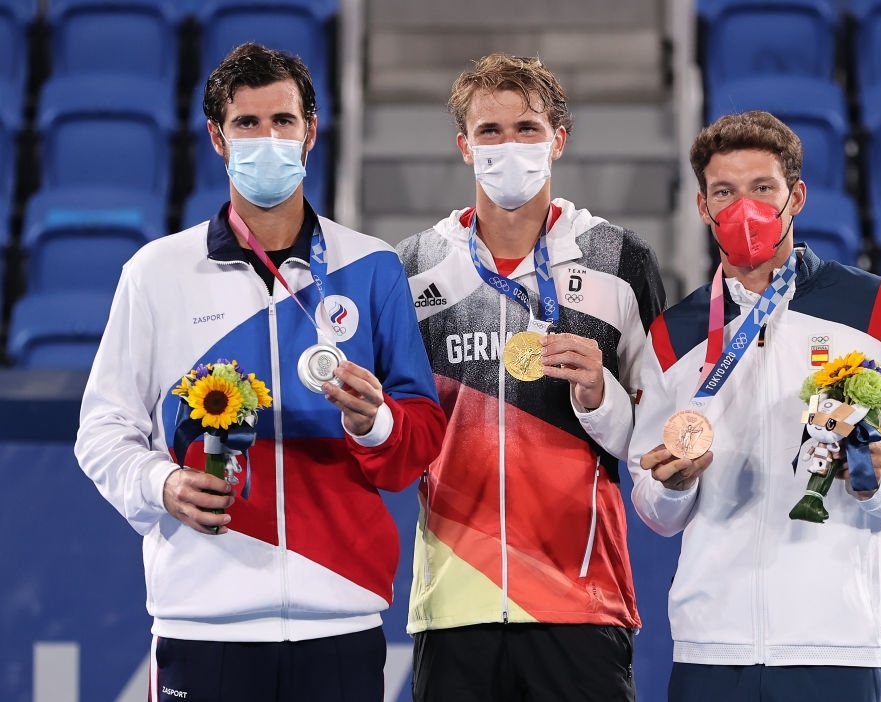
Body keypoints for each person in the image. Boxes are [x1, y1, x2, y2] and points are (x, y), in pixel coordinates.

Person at [75, 42, 446, 702]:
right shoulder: (157, 274)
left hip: (341, 617)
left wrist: (376, 422)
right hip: (201, 621)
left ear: (311, 133)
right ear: (217, 137)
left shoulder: (372, 267)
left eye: (283, 121)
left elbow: (416, 447)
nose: (267, 138)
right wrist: (162, 484)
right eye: (247, 124)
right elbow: (102, 431)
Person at [627, 110, 881, 701]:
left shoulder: (877, 306)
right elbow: (653, 504)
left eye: (763, 189)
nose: (744, 208)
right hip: (711, 646)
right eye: (725, 193)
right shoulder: (673, 334)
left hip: (835, 643)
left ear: (796, 197)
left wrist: (880, 483)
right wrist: (672, 486)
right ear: (703, 208)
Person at [395, 53, 666, 701]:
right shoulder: (413, 266)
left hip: (582, 598)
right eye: (489, 131)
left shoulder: (620, 261)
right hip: (456, 598)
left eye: (527, 129)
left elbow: (653, 436)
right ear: (464, 147)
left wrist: (600, 397)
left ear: (558, 140)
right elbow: (403, 434)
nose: (508, 146)